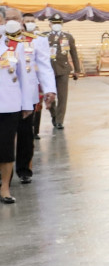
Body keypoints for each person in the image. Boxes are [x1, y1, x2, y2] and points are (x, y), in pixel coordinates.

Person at [0, 7, 46, 204]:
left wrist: (27, 103)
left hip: (9, 103)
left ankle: (6, 186)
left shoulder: (16, 44)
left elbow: (25, 76)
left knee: (7, 146)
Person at [14, 13, 53, 183]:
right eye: (7, 19)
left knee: (25, 134)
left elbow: (43, 65)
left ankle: (24, 169)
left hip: (26, 94)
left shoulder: (34, 40)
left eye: (15, 19)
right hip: (4, 94)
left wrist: (49, 89)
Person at [44, 14, 80, 132]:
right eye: (54, 23)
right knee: (50, 95)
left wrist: (77, 70)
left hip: (63, 69)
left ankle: (59, 121)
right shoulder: (44, 36)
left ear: (62, 24)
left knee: (62, 96)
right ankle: (54, 114)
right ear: (50, 24)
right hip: (48, 69)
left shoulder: (68, 37)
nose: (56, 25)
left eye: (58, 23)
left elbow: (74, 54)